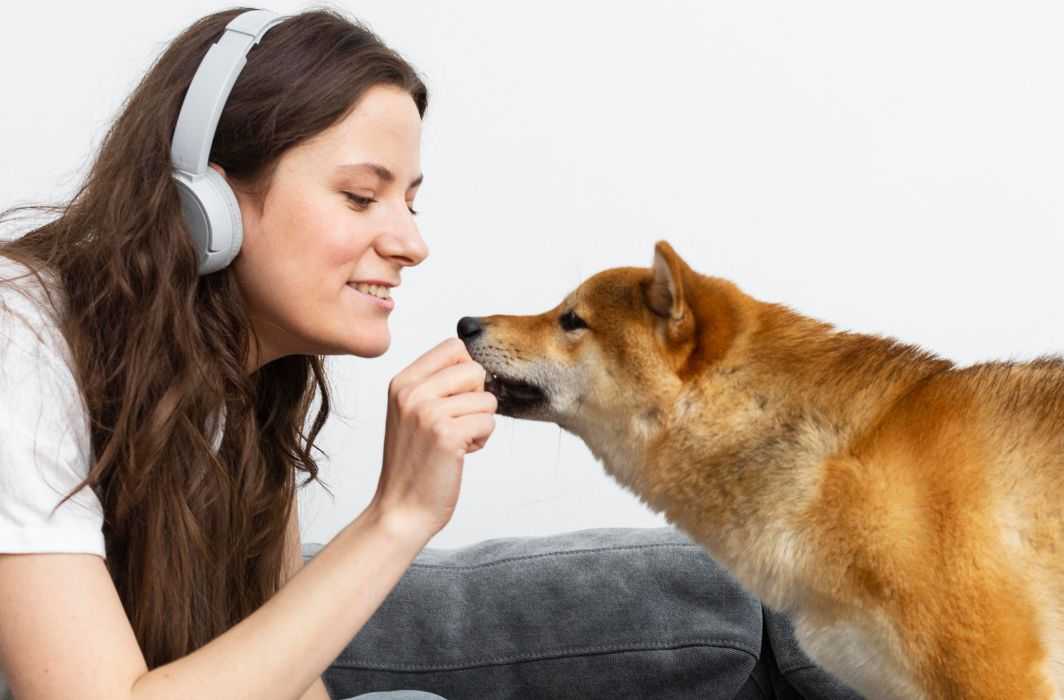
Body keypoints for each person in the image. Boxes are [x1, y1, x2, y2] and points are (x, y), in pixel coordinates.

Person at [0, 7, 806, 700]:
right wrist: (400, 516)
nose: (412, 243)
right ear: (204, 199)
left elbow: (288, 677)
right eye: (360, 196)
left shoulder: (243, 368)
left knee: (734, 590)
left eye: (411, 202)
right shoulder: (21, 340)